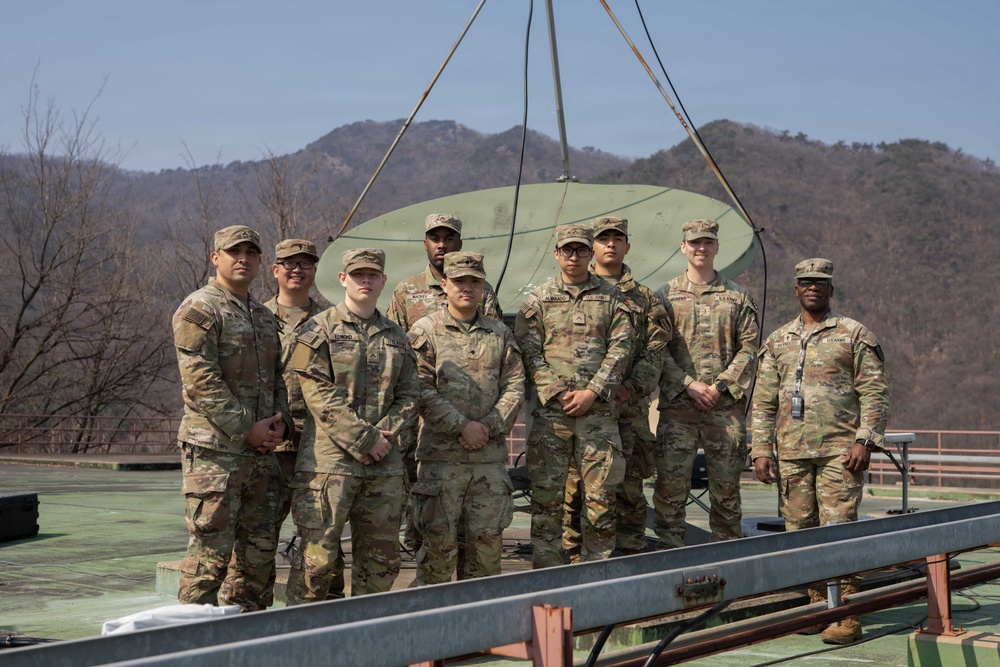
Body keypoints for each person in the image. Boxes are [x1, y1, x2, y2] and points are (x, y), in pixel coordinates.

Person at [751, 258, 889, 645]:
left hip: (840, 453)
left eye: (821, 283)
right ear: (795, 289)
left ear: (831, 290)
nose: (813, 288)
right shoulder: (778, 340)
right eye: (806, 282)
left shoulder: (853, 334)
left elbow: (874, 392)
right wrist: (761, 448)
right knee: (800, 532)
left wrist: (865, 440)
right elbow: (763, 402)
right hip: (792, 453)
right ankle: (816, 605)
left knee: (839, 530)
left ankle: (845, 612)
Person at [286, 248, 418, 602]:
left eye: (372, 275)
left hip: (384, 464)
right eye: (357, 274)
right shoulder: (319, 328)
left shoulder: (397, 335)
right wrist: (364, 439)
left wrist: (384, 434)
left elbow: (410, 392)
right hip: (330, 465)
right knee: (317, 561)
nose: (365, 280)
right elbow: (315, 391)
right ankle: (303, 641)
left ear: (382, 281)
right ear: (343, 278)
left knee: (380, 562)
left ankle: (367, 638)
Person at [172, 224, 292, 612]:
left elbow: (277, 379)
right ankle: (188, 647)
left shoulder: (262, 315)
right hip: (216, 455)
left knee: (257, 563)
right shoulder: (199, 309)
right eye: (233, 252)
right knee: (209, 561)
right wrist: (248, 429)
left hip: (261, 456)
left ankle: (248, 642)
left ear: (260, 260)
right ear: (215, 258)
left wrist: (280, 425)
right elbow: (200, 381)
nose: (243, 259)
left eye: (250, 253)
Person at [514, 223, 634, 568]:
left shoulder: (612, 300)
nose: (575, 256)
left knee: (600, 502)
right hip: (553, 418)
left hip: (597, 418)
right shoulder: (537, 301)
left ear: (590, 253)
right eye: (567, 249)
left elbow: (621, 349)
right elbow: (528, 350)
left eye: (582, 249)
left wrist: (592, 392)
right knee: (547, 501)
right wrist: (556, 391)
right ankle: (548, 573)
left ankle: (598, 574)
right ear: (556, 254)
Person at [387, 213, 503, 551]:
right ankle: (415, 537)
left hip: (468, 406)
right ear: (425, 243)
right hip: (417, 401)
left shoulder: (483, 290)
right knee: (412, 472)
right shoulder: (406, 290)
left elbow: (492, 342)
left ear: (459, 244)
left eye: (449, 238)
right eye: (435, 238)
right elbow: (395, 347)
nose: (442, 244)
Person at [408, 251, 525, 584]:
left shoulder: (500, 333)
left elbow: (515, 386)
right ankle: (436, 629)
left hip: (488, 462)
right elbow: (418, 388)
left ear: (483, 286)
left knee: (486, 555)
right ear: (444, 284)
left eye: (475, 281)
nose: (467, 288)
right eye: (459, 281)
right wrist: (462, 426)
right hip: (440, 462)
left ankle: (484, 630)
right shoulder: (425, 331)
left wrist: (486, 428)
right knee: (438, 555)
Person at [563, 217, 669, 559]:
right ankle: (577, 558)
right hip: (583, 411)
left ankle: (628, 557)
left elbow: (655, 349)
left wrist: (629, 387)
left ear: (627, 246)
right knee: (577, 487)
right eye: (602, 238)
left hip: (628, 411)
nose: (610, 244)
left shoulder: (646, 299)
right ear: (591, 246)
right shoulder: (575, 289)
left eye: (617, 238)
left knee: (628, 489)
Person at [653, 219, 759, 548]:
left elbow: (750, 348)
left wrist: (721, 385)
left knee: (726, 494)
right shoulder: (664, 296)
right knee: (670, 493)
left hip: (723, 409)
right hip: (678, 409)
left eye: (708, 242)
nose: (701, 248)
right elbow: (657, 348)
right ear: (683, 247)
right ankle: (669, 562)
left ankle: (726, 563)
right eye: (694, 243)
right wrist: (687, 383)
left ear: (716, 246)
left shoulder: (738, 297)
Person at [262, 238, 339, 599]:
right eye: (289, 263)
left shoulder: (332, 322)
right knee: (258, 540)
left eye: (305, 263)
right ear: (275, 270)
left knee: (321, 543)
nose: (297, 269)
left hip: (317, 446)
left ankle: (315, 618)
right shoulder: (256, 319)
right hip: (268, 447)